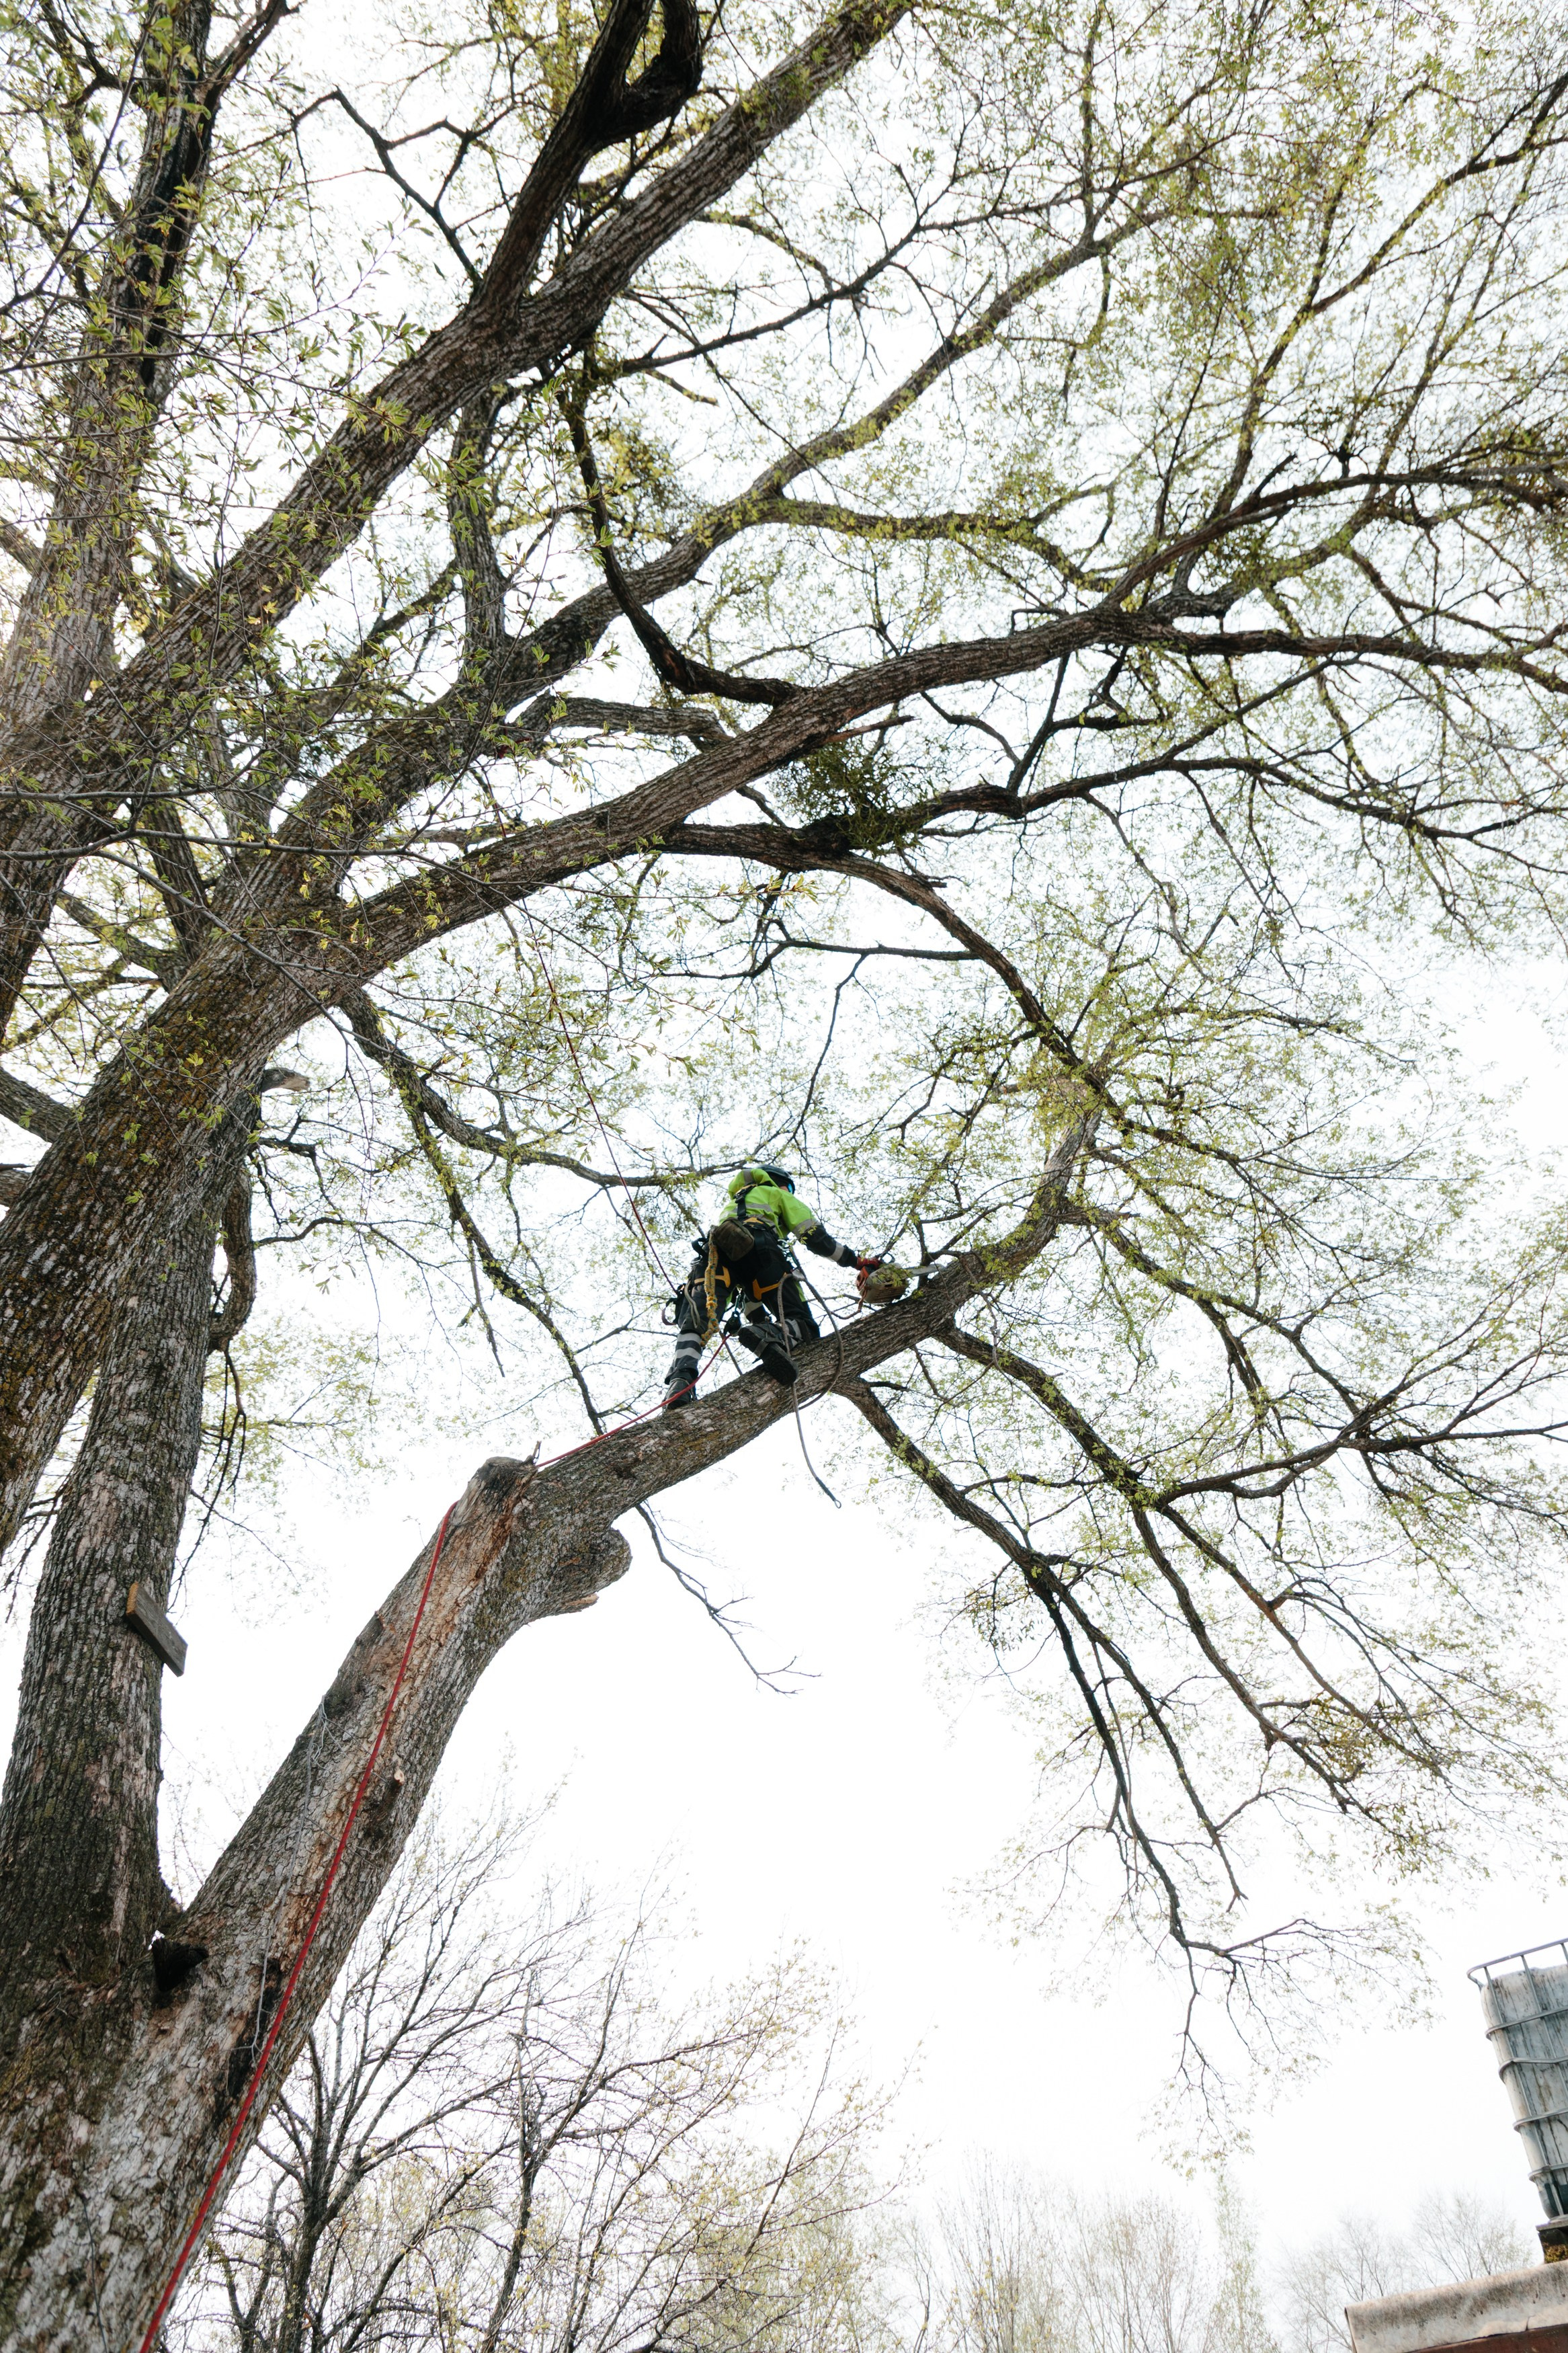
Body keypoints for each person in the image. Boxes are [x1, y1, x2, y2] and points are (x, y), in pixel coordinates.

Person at [661, 1160, 881, 1409]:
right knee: (804, 1325)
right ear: (778, 1183)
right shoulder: (776, 1194)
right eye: (788, 1188)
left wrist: (757, 1322)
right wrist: (857, 1262)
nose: (788, 1192)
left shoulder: (732, 1207)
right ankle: (771, 1335)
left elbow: (746, 1293)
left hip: (713, 1255)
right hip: (762, 1249)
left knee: (697, 1322)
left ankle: (680, 1384)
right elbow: (815, 1237)